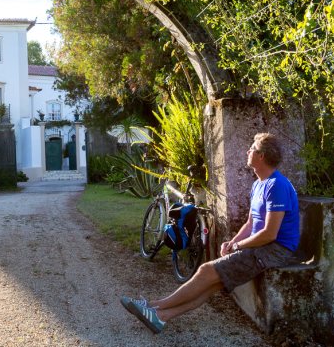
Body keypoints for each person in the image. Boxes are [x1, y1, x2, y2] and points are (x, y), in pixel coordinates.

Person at [121, 132, 301, 334]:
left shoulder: (277, 186)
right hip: (262, 247)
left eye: (253, 148)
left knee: (206, 271)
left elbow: (270, 233)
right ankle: (161, 317)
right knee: (212, 284)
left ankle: (155, 306)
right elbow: (251, 223)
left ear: (262, 156)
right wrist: (232, 241)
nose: (248, 151)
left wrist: (238, 246)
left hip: (276, 250)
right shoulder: (258, 184)